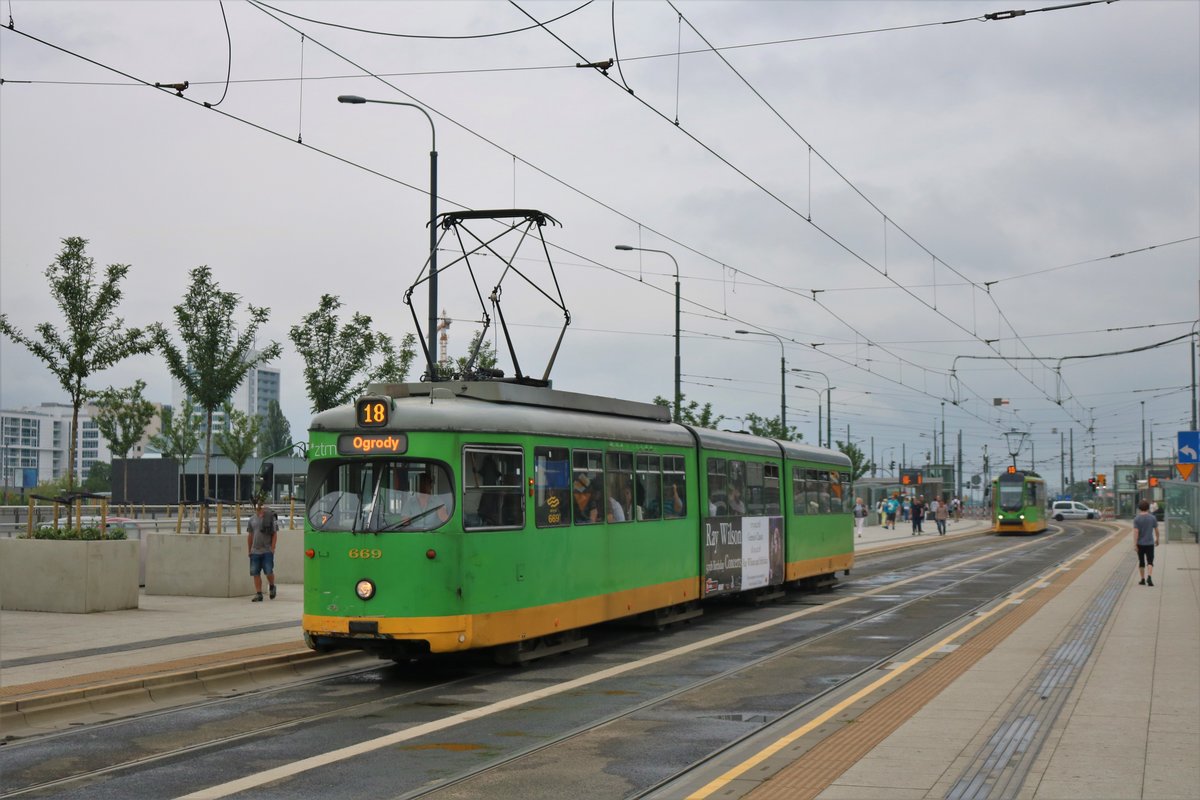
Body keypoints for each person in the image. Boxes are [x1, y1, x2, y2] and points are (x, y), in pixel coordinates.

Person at [247, 496, 278, 602]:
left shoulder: (269, 517)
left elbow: (274, 534)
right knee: (255, 572)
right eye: (256, 505)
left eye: (260, 504)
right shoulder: (251, 519)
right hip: (255, 550)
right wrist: (249, 549)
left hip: (267, 550)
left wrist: (272, 548)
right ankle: (258, 593)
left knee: (268, 571)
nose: (258, 506)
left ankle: (272, 586)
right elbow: (250, 535)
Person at [1133, 499, 1159, 586]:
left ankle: (1142, 579)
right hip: (1150, 543)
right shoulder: (1152, 518)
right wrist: (1157, 539)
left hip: (1140, 544)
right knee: (1150, 561)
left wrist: (1135, 544)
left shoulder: (1137, 519)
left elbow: (1136, 532)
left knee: (1141, 561)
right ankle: (1149, 577)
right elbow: (1156, 530)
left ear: (1140, 508)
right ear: (1148, 508)